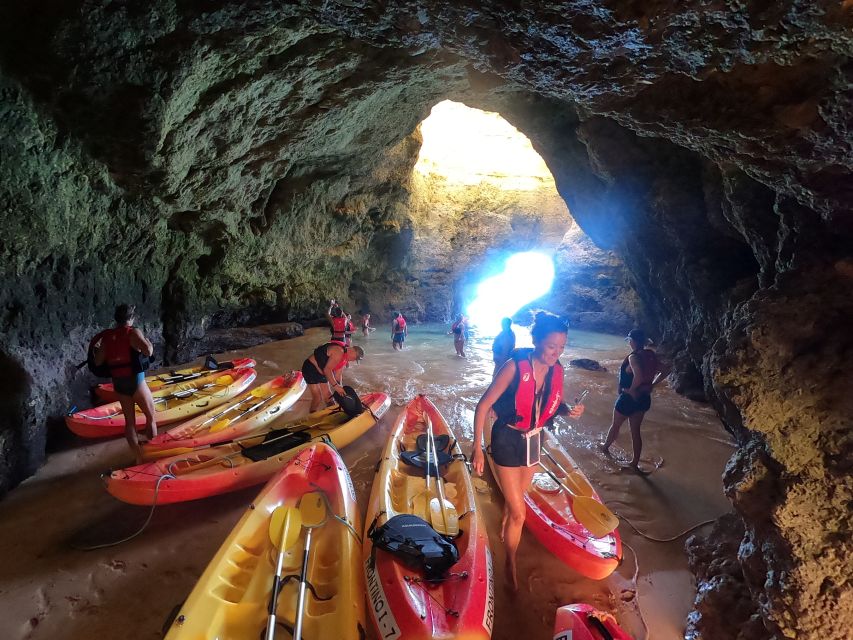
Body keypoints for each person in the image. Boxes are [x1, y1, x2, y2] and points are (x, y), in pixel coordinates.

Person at [471, 311, 583, 591]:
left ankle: (507, 527)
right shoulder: (513, 367)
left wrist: (569, 410)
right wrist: (477, 448)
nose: (556, 353)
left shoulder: (557, 371)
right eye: (550, 346)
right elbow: (483, 406)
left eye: (561, 347)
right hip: (508, 438)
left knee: (516, 502)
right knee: (520, 513)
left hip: (535, 440)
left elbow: (550, 402)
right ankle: (510, 560)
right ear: (536, 342)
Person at [93, 304, 156, 463]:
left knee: (130, 423)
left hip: (119, 384)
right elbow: (148, 352)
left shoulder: (107, 337)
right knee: (151, 417)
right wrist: (148, 343)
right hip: (137, 382)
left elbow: (98, 361)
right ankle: (152, 454)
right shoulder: (133, 332)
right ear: (131, 318)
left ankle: (138, 457)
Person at [601, 329, 670, 474]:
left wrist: (631, 390)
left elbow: (637, 375)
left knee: (616, 425)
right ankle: (634, 463)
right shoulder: (650, 355)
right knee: (635, 431)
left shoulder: (633, 357)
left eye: (629, 340)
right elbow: (665, 370)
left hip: (629, 398)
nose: (629, 343)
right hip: (644, 398)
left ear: (633, 341)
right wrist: (652, 385)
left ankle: (605, 447)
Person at [301, 341, 365, 412]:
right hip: (310, 368)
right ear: (353, 351)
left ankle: (333, 412)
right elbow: (327, 370)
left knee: (328, 396)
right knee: (317, 397)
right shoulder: (339, 351)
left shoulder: (345, 358)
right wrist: (335, 386)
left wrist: (341, 389)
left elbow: (338, 376)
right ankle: (312, 415)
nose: (354, 360)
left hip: (322, 372)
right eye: (355, 358)